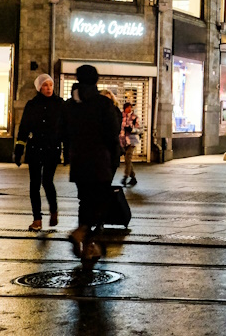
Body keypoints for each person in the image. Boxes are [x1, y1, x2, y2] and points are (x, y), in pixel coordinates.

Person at [62, 65, 123, 265]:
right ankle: (82, 234)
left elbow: (64, 133)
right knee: (101, 204)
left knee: (85, 202)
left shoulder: (71, 105)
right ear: (96, 80)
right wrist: (114, 159)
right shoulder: (103, 105)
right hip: (100, 161)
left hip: (79, 161)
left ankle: (88, 248)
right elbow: (112, 135)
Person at [14, 74, 64, 231]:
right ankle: (37, 219)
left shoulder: (60, 104)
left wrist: (68, 151)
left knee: (47, 181)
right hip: (35, 148)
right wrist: (19, 149)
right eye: (45, 85)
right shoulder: (32, 105)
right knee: (34, 184)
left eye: (50, 85)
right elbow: (24, 128)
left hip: (52, 148)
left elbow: (65, 129)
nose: (48, 88)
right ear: (39, 88)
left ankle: (53, 210)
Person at [120, 102, 142, 186]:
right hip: (122, 140)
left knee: (128, 158)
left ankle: (125, 177)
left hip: (131, 140)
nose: (129, 109)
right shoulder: (121, 116)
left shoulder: (135, 117)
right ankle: (133, 177)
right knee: (127, 159)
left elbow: (139, 129)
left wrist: (131, 129)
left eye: (130, 107)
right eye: (128, 107)